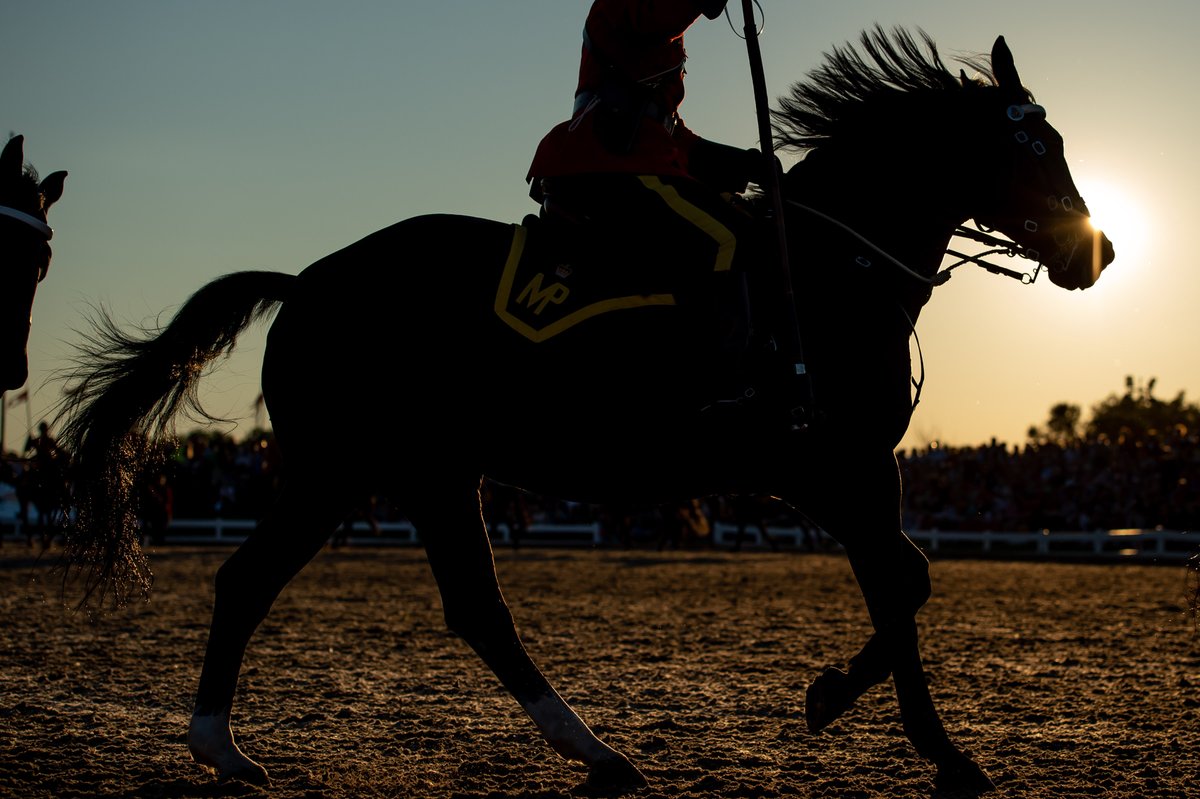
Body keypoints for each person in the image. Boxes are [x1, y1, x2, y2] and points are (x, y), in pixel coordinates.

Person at [526, 0, 803, 428]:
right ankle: (721, 383)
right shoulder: (620, 9)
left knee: (750, 223)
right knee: (728, 240)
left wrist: (740, 162)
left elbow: (669, 131)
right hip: (605, 165)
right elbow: (649, 21)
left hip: (639, 160)